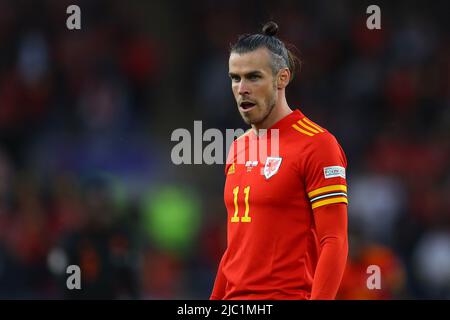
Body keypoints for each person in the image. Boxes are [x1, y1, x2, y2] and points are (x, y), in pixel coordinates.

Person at [210, 21, 348, 300]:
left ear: (281, 78)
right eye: (235, 78)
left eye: (253, 77)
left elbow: (334, 240)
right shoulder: (238, 146)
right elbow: (235, 248)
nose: (242, 88)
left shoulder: (318, 144)